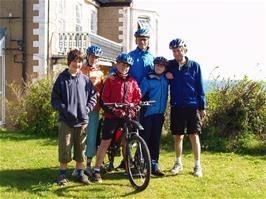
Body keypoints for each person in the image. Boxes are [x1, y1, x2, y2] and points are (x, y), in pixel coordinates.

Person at [92, 53, 141, 183]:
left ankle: (127, 168)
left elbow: (137, 97)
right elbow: (103, 99)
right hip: (112, 116)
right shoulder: (111, 80)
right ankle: (96, 170)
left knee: (127, 142)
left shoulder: (132, 81)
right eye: (122, 64)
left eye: (127, 66)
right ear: (117, 65)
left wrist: (134, 107)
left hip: (127, 115)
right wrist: (114, 110)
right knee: (105, 142)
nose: (125, 67)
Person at [51, 49, 97, 185]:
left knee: (81, 148)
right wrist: (64, 109)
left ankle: (80, 173)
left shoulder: (85, 79)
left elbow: (93, 96)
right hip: (66, 120)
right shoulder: (62, 78)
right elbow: (55, 99)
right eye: (74, 61)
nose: (77, 64)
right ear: (69, 62)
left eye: (79, 61)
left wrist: (87, 109)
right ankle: (62, 175)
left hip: (82, 120)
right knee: (65, 147)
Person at [111, 27, 154, 170]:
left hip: (144, 98)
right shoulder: (131, 55)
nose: (143, 41)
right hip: (128, 97)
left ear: (148, 41)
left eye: (145, 39)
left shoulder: (151, 58)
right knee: (127, 130)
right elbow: (119, 67)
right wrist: (111, 74)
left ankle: (138, 161)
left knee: (141, 131)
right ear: (136, 40)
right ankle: (125, 160)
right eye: (140, 39)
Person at [166, 38, 206, 177]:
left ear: (184, 50)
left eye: (179, 50)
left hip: (192, 106)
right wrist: (166, 74)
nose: (177, 53)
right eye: (174, 51)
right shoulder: (170, 65)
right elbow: (157, 67)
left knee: (194, 136)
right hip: (176, 106)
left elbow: (200, 87)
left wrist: (202, 107)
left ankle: (197, 165)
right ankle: (178, 163)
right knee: (178, 136)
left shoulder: (195, 66)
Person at [72, 45, 104, 178]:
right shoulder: (81, 70)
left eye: (96, 57)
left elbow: (101, 91)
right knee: (79, 138)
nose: (94, 59)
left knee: (91, 138)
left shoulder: (100, 73)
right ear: (88, 56)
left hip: (94, 109)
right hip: (80, 108)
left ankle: (89, 165)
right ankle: (77, 166)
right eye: (92, 56)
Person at [139, 56, 169, 177]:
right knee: (145, 139)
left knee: (155, 140)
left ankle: (154, 164)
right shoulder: (147, 79)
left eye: (162, 66)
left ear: (165, 68)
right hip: (147, 114)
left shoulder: (166, 79)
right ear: (154, 65)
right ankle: (141, 164)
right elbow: (139, 95)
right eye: (157, 65)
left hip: (160, 114)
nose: (159, 67)